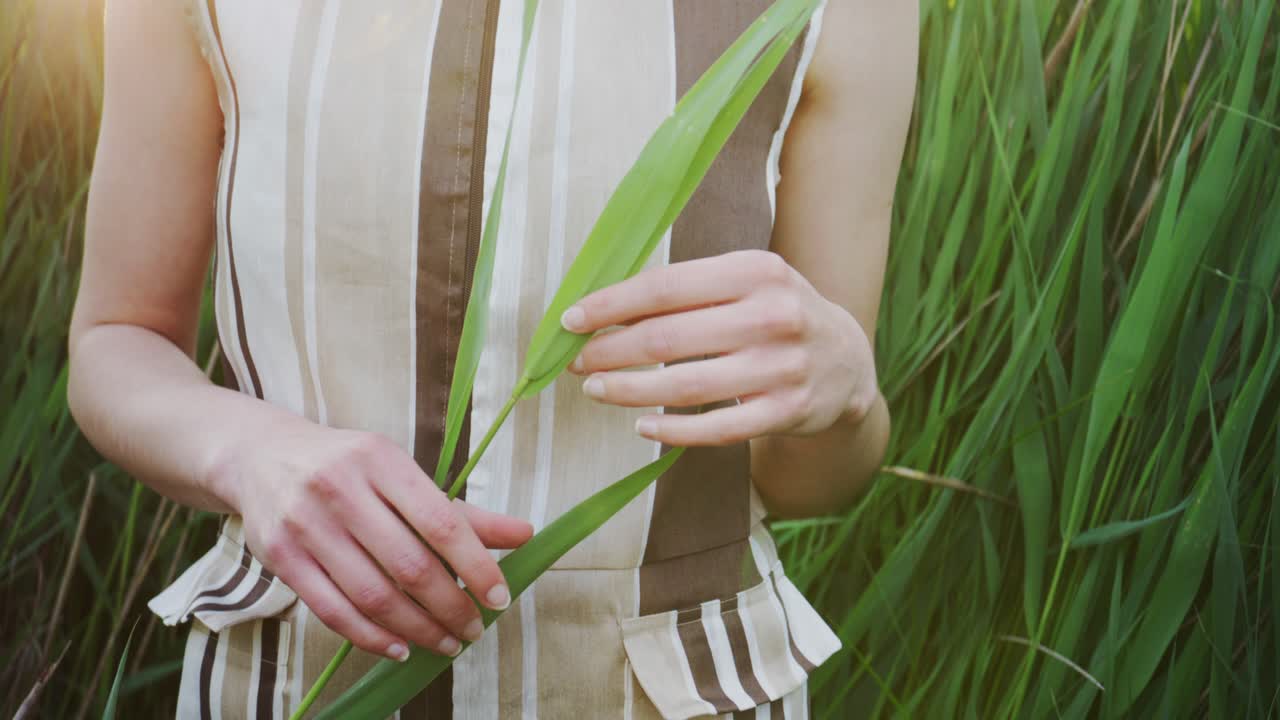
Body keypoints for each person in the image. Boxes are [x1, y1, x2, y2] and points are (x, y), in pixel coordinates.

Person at [67, 0, 916, 717]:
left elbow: (813, 478)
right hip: (297, 682)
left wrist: (844, 391)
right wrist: (248, 454)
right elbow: (118, 338)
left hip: (675, 692)